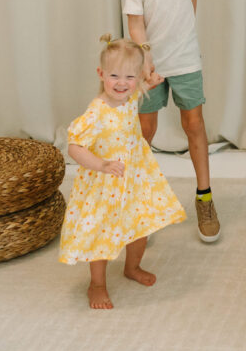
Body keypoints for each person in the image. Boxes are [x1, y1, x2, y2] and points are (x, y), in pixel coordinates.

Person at [118, 0, 220, 243]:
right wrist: (146, 59)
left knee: (194, 124)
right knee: (145, 132)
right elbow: (135, 21)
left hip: (186, 59)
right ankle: (137, 200)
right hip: (148, 64)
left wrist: (182, 42)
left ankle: (204, 197)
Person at [59, 36, 185, 309]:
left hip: (135, 177)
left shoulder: (130, 94)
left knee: (140, 225)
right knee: (100, 233)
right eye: (114, 75)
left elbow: (139, 86)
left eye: (129, 77)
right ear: (101, 74)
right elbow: (74, 147)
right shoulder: (97, 111)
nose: (121, 83)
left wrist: (149, 82)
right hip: (104, 181)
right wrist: (101, 165)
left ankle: (133, 267)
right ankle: (97, 284)